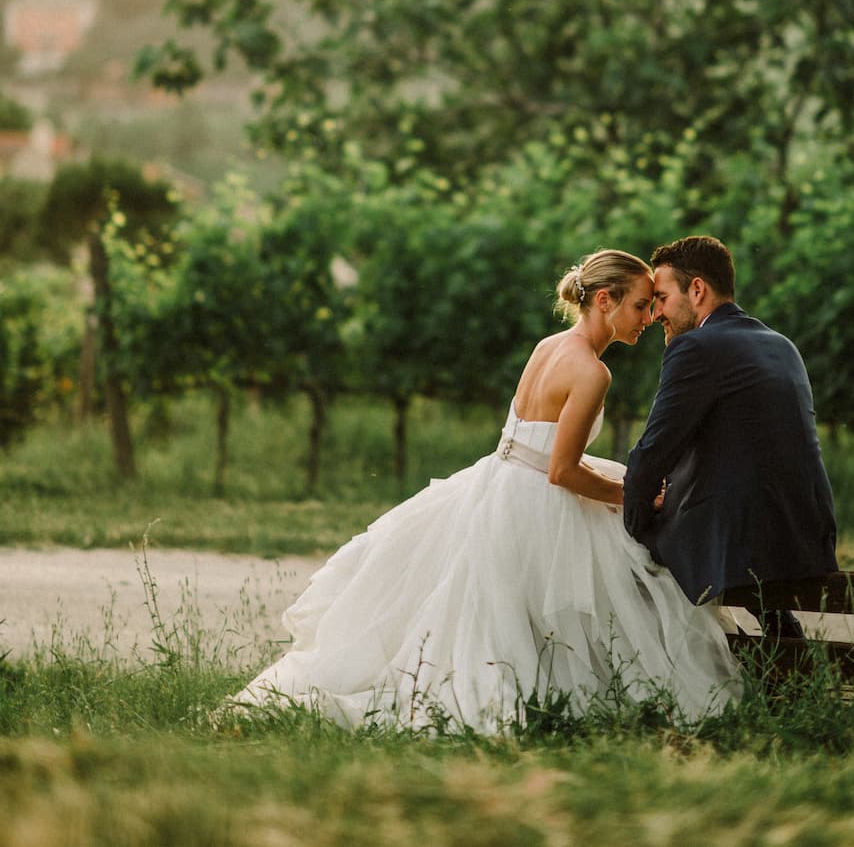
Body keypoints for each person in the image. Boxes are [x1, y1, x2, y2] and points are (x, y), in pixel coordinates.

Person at [228, 249, 742, 732]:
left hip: (497, 482)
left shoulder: (549, 348)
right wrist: (631, 495)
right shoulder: (592, 371)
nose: (649, 317)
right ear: (604, 301)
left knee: (490, 607)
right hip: (535, 498)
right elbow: (561, 472)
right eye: (639, 305)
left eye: (653, 305)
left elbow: (534, 443)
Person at [624, 236, 838, 636]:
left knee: (617, 549)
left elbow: (654, 451)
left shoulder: (696, 347)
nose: (655, 315)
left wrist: (633, 520)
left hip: (743, 538)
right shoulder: (781, 344)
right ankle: (780, 645)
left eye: (663, 297)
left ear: (697, 289)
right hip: (805, 531)